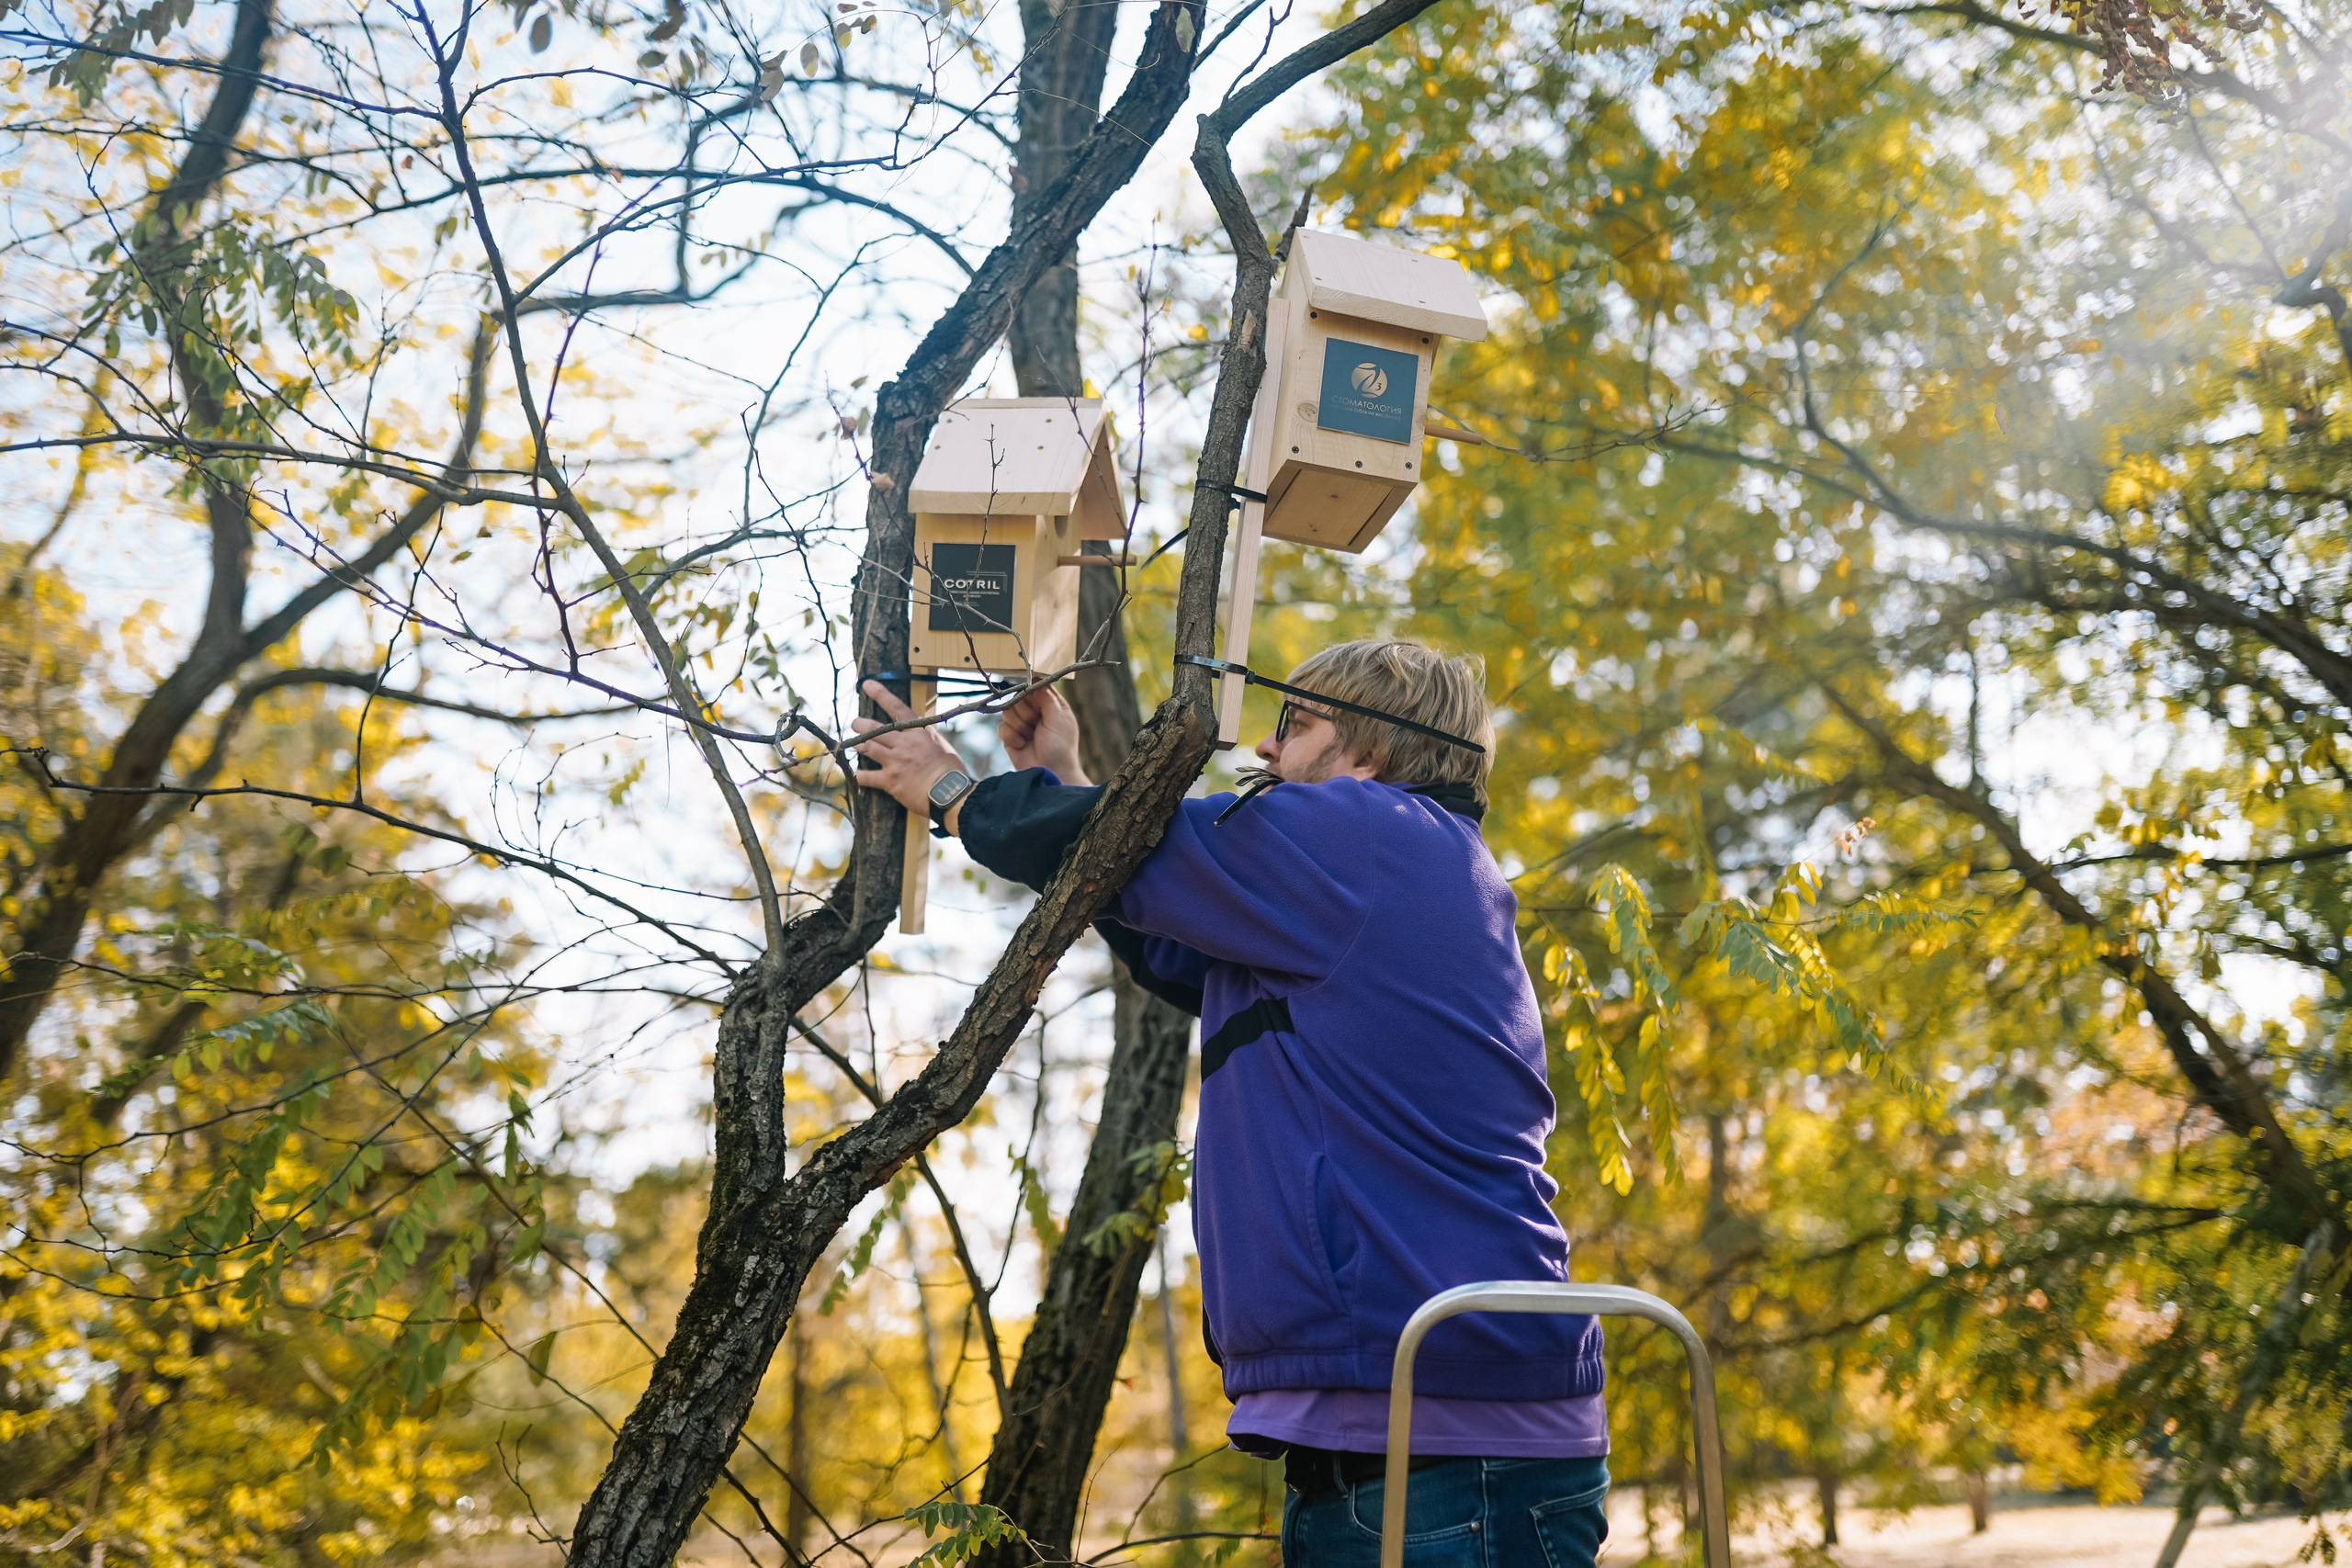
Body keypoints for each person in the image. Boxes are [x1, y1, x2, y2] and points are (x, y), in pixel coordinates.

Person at [854, 639, 1610, 1568]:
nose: (1263, 751)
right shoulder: (1394, 869)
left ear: (1371, 751)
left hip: (1444, 1441)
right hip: (1410, 1433)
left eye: (1293, 727)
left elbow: (1147, 852)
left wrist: (953, 792)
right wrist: (1067, 779)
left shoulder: (1368, 831)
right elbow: (1169, 931)